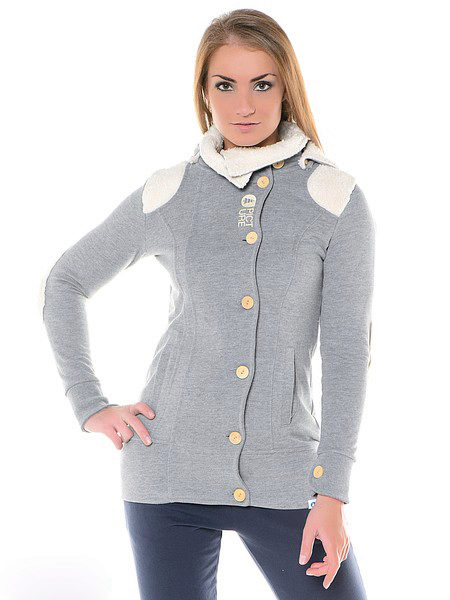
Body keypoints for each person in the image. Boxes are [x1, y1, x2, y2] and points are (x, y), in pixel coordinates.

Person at [41, 8, 375, 599]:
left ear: (287, 89)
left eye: (262, 84)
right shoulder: (172, 190)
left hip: (287, 477)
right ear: (203, 92)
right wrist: (89, 404)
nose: (244, 105)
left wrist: (332, 492)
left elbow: (348, 353)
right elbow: (65, 282)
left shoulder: (333, 197)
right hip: (166, 472)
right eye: (225, 85)